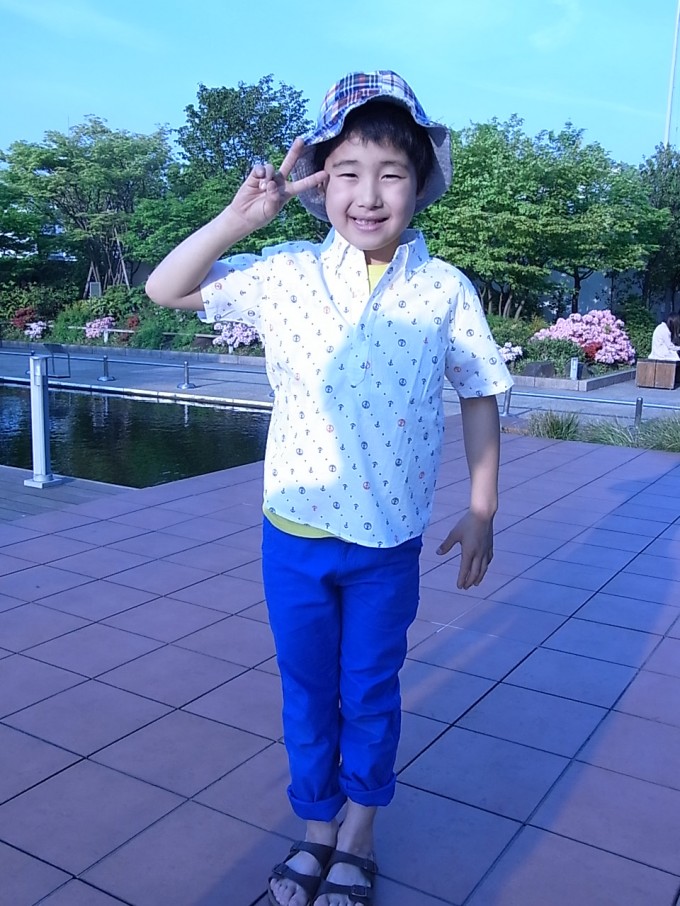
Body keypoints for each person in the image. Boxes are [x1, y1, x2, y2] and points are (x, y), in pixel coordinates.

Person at [146, 70, 512, 906]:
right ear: (319, 183)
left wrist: (482, 506)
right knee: (308, 692)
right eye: (347, 172)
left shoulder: (443, 290)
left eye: (391, 173)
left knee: (369, 693)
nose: (368, 195)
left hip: (386, 543)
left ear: (421, 182)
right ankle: (316, 828)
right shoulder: (284, 273)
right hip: (295, 534)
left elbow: (480, 393)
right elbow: (165, 289)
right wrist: (240, 220)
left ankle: (359, 835)